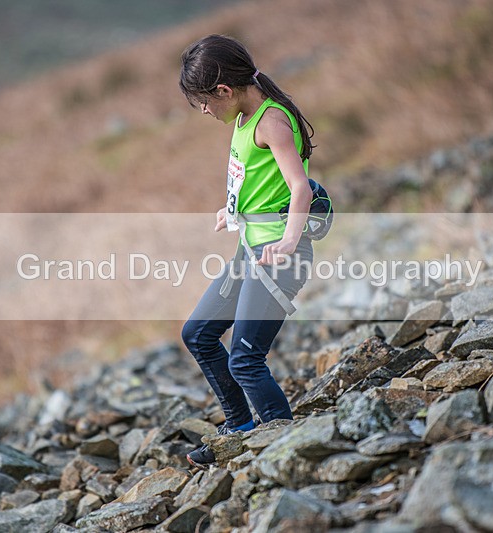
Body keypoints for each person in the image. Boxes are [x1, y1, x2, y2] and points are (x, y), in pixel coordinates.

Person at [178, 34, 316, 469]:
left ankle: (283, 441)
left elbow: (299, 188)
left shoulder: (270, 121)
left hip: (280, 257)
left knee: (244, 357)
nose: (203, 110)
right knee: (197, 333)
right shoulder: (242, 117)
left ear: (223, 91)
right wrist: (232, 212)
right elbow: (261, 183)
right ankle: (239, 425)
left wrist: (290, 241)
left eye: (204, 101)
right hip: (251, 251)